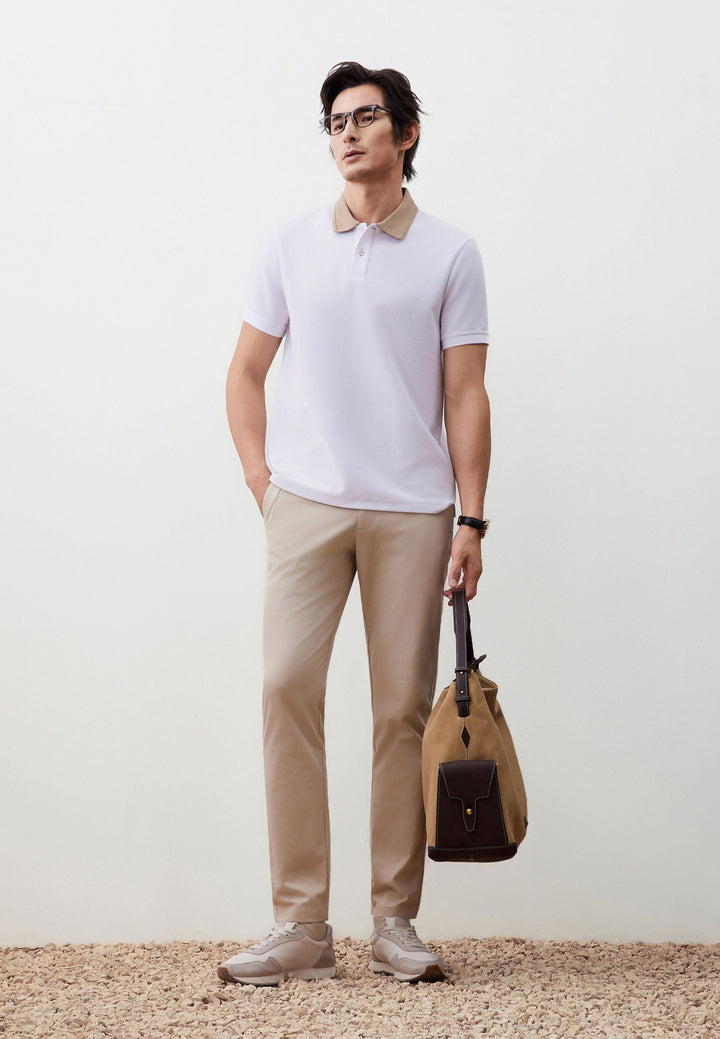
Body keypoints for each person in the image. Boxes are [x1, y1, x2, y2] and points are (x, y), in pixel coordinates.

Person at [219, 60, 491, 986]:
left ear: (405, 134)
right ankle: (300, 922)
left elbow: (466, 393)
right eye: (335, 120)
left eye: (367, 116)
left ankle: (393, 920)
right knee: (284, 686)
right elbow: (244, 371)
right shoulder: (290, 243)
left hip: (414, 511)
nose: (348, 132)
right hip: (305, 503)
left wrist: (472, 520)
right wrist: (263, 481)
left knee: (399, 711)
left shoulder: (451, 253)